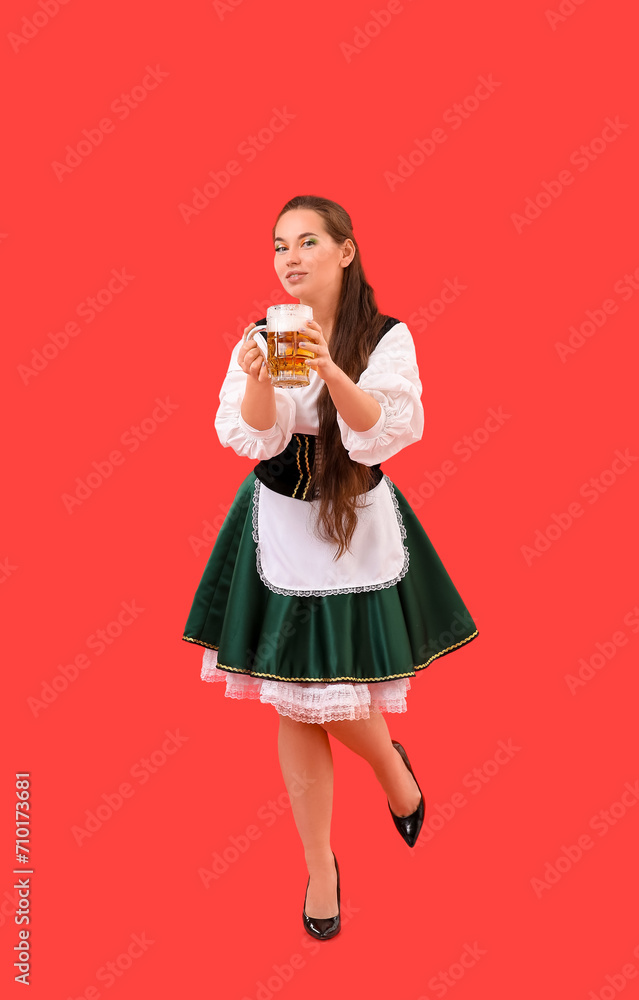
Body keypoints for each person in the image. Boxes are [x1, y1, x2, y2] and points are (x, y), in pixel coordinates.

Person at [182, 194, 479, 940]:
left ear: (345, 251)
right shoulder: (262, 334)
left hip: (357, 528)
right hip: (279, 525)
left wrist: (328, 368)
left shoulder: (384, 336)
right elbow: (254, 435)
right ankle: (320, 864)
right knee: (294, 697)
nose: (289, 257)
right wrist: (260, 375)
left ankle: (392, 772)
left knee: (335, 687)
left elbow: (385, 430)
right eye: (279, 245)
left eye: (307, 241)